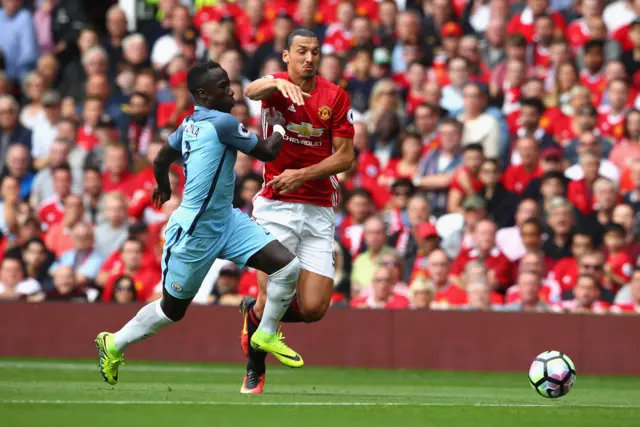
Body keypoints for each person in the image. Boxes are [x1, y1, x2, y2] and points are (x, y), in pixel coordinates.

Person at [95, 61, 306, 391]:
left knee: (287, 267)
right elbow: (266, 151)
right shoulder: (221, 122)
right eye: (223, 87)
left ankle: (264, 333)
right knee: (171, 311)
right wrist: (279, 127)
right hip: (194, 233)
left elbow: (162, 159)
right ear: (203, 94)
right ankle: (114, 342)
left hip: (228, 219)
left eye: (229, 83)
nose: (231, 90)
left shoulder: (188, 124)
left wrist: (163, 186)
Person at [240, 29, 355, 394]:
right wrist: (275, 82)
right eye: (302, 51)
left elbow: (345, 156)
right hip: (275, 205)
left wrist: (302, 174)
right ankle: (255, 369)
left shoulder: (334, 96)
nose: (309, 58)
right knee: (270, 290)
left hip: (319, 208)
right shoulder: (274, 87)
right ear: (286, 55)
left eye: (315, 52)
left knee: (316, 307)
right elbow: (249, 91)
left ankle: (253, 318)